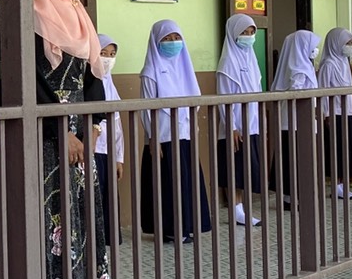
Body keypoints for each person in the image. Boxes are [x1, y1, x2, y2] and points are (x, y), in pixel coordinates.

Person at [30, 0, 113, 279]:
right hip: (47, 138)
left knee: (83, 222)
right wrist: (61, 131)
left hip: (81, 139)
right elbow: (31, 80)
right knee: (52, 227)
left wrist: (91, 128)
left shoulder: (78, 12)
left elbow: (92, 76)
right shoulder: (27, 10)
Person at [140, 20, 220, 240]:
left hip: (184, 135)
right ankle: (170, 230)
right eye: (167, 38)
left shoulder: (185, 68)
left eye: (176, 38)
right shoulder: (150, 71)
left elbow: (193, 102)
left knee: (186, 181)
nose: (173, 42)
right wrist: (153, 138)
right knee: (167, 184)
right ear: (156, 42)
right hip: (162, 137)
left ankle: (187, 225)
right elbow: (146, 108)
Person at [213, 14, 265, 224]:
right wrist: (231, 126)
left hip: (251, 124)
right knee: (233, 169)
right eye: (244, 32)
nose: (248, 36)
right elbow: (224, 97)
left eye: (251, 32)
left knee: (244, 169)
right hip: (234, 127)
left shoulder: (251, 58)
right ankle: (235, 210)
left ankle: (241, 208)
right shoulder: (228, 62)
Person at [269, 29, 321, 201]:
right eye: (312, 46)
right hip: (296, 121)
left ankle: (294, 195)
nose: (315, 50)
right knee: (293, 159)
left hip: (301, 121)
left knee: (297, 158)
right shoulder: (297, 68)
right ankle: (291, 197)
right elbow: (297, 92)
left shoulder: (305, 65)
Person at [317, 27, 352, 199]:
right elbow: (323, 90)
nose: (349, 46)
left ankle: (343, 183)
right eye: (346, 43)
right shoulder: (329, 64)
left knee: (347, 148)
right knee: (336, 149)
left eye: (350, 43)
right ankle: (336, 184)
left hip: (347, 111)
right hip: (334, 113)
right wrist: (325, 113)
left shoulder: (344, 63)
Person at [94, 34, 128, 234]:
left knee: (108, 199)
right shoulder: (87, 82)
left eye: (112, 54)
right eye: (103, 53)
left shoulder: (110, 84)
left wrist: (118, 158)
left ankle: (107, 238)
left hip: (108, 152)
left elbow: (117, 125)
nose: (107, 59)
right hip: (92, 150)